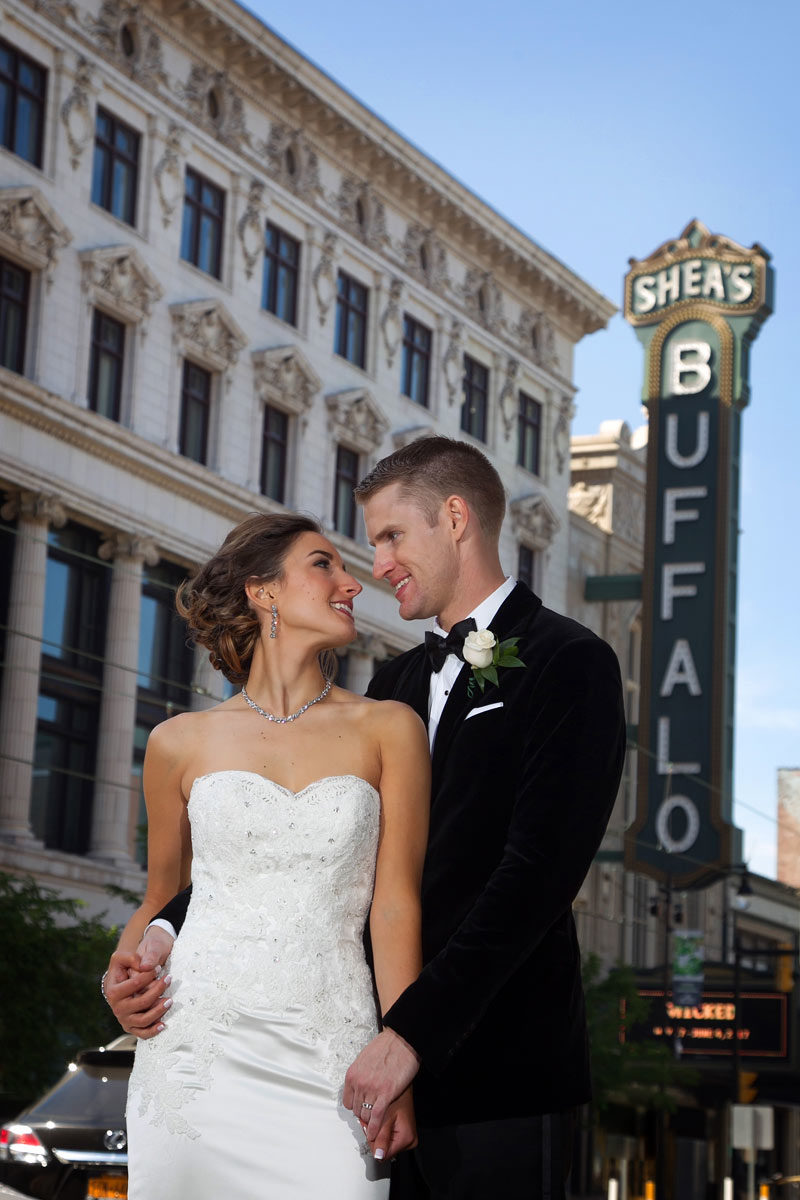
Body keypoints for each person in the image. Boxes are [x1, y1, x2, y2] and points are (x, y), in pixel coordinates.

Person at [107, 438, 627, 1199]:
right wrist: (155, 937)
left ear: (455, 519)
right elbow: (289, 861)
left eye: (390, 537)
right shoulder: (392, 684)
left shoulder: (570, 660)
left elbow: (538, 876)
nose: (377, 566)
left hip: (499, 1067)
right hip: (352, 1069)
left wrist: (411, 1033)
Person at [108, 512, 429, 1200]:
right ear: (263, 591)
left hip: (334, 1058)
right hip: (195, 1055)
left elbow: (396, 907)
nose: (352, 584)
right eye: (324, 564)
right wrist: (120, 977)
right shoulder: (177, 742)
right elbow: (162, 899)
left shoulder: (390, 728)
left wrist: (401, 1055)